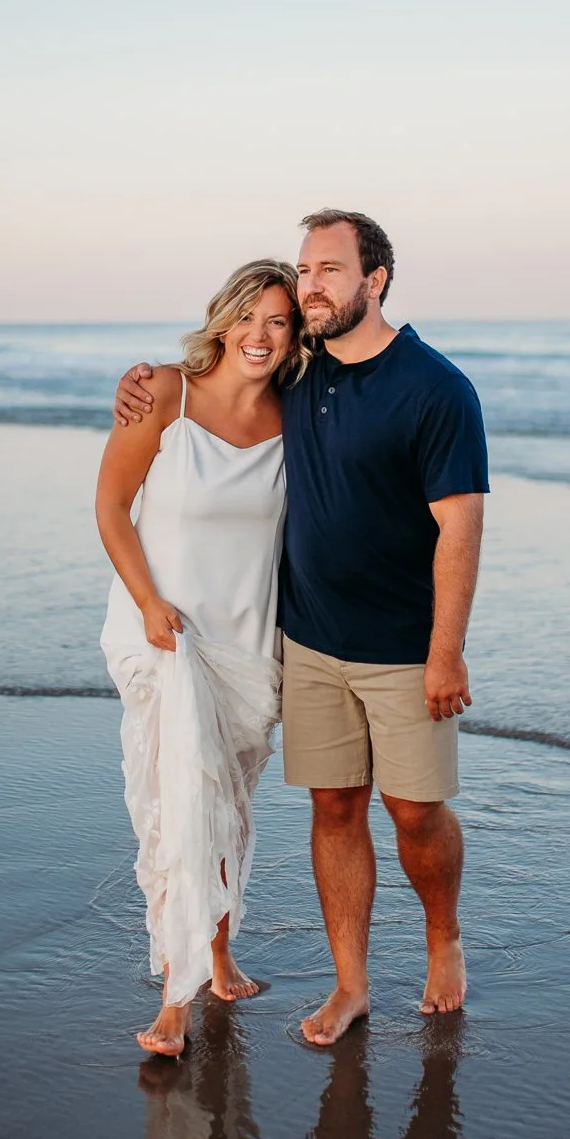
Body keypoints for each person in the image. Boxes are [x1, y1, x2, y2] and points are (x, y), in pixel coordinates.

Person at [114, 210, 488, 1046]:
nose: (310, 287)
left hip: (401, 646)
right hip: (309, 640)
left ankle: (442, 939)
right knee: (333, 808)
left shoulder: (435, 388)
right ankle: (349, 986)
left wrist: (446, 651)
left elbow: (460, 528)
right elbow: (216, 382)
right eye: (304, 270)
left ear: (374, 279)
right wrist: (142, 377)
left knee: (416, 812)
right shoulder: (299, 373)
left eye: (327, 270)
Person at [96, 259, 302, 1057]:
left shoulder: (297, 416)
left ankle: (218, 954)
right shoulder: (162, 395)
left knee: (229, 809)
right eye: (249, 316)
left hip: (251, 642)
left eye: (279, 321)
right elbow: (111, 504)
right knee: (182, 807)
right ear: (222, 318)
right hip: (166, 633)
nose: (260, 335)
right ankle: (175, 996)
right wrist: (148, 600)